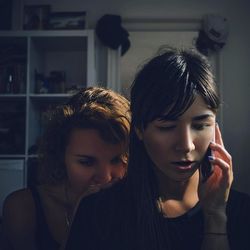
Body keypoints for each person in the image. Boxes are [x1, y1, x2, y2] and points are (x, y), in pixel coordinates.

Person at [65, 47, 250, 250]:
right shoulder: (98, 212)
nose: (186, 145)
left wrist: (216, 216)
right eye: (167, 127)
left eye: (200, 125)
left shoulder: (241, 211)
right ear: (139, 129)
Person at [1, 86, 130, 250]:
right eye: (87, 162)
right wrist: (80, 216)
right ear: (61, 155)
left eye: (117, 159)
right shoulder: (23, 208)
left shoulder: (136, 205)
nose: (105, 177)